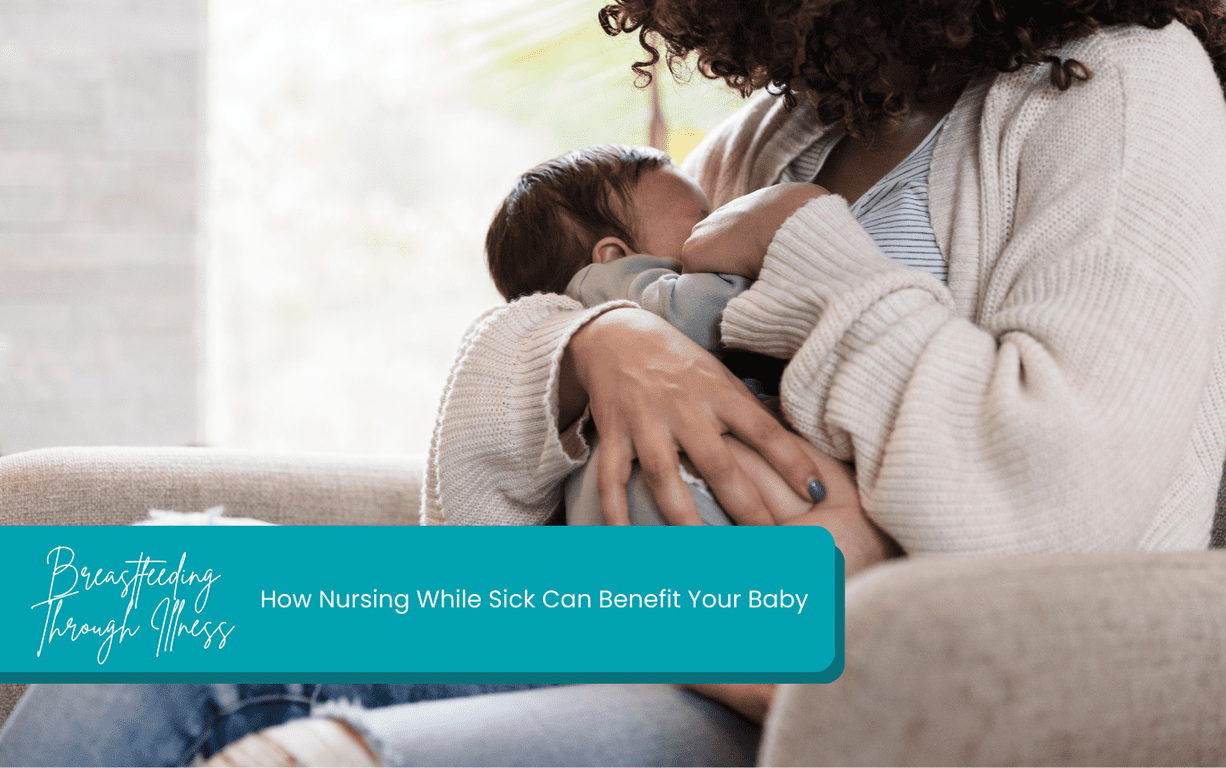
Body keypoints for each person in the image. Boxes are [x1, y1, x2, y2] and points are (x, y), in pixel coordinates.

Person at [4, 0, 1226, 764]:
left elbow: (1061, 507)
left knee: (216, 673)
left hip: (843, 649)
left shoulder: (1119, 82)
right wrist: (592, 348)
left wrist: (810, 252)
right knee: (125, 601)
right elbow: (479, 495)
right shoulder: (779, 129)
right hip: (656, 605)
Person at [484, 142, 863, 527]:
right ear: (615, 256)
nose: (720, 228)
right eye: (703, 223)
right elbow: (696, 313)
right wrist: (772, 256)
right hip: (663, 490)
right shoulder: (607, 286)